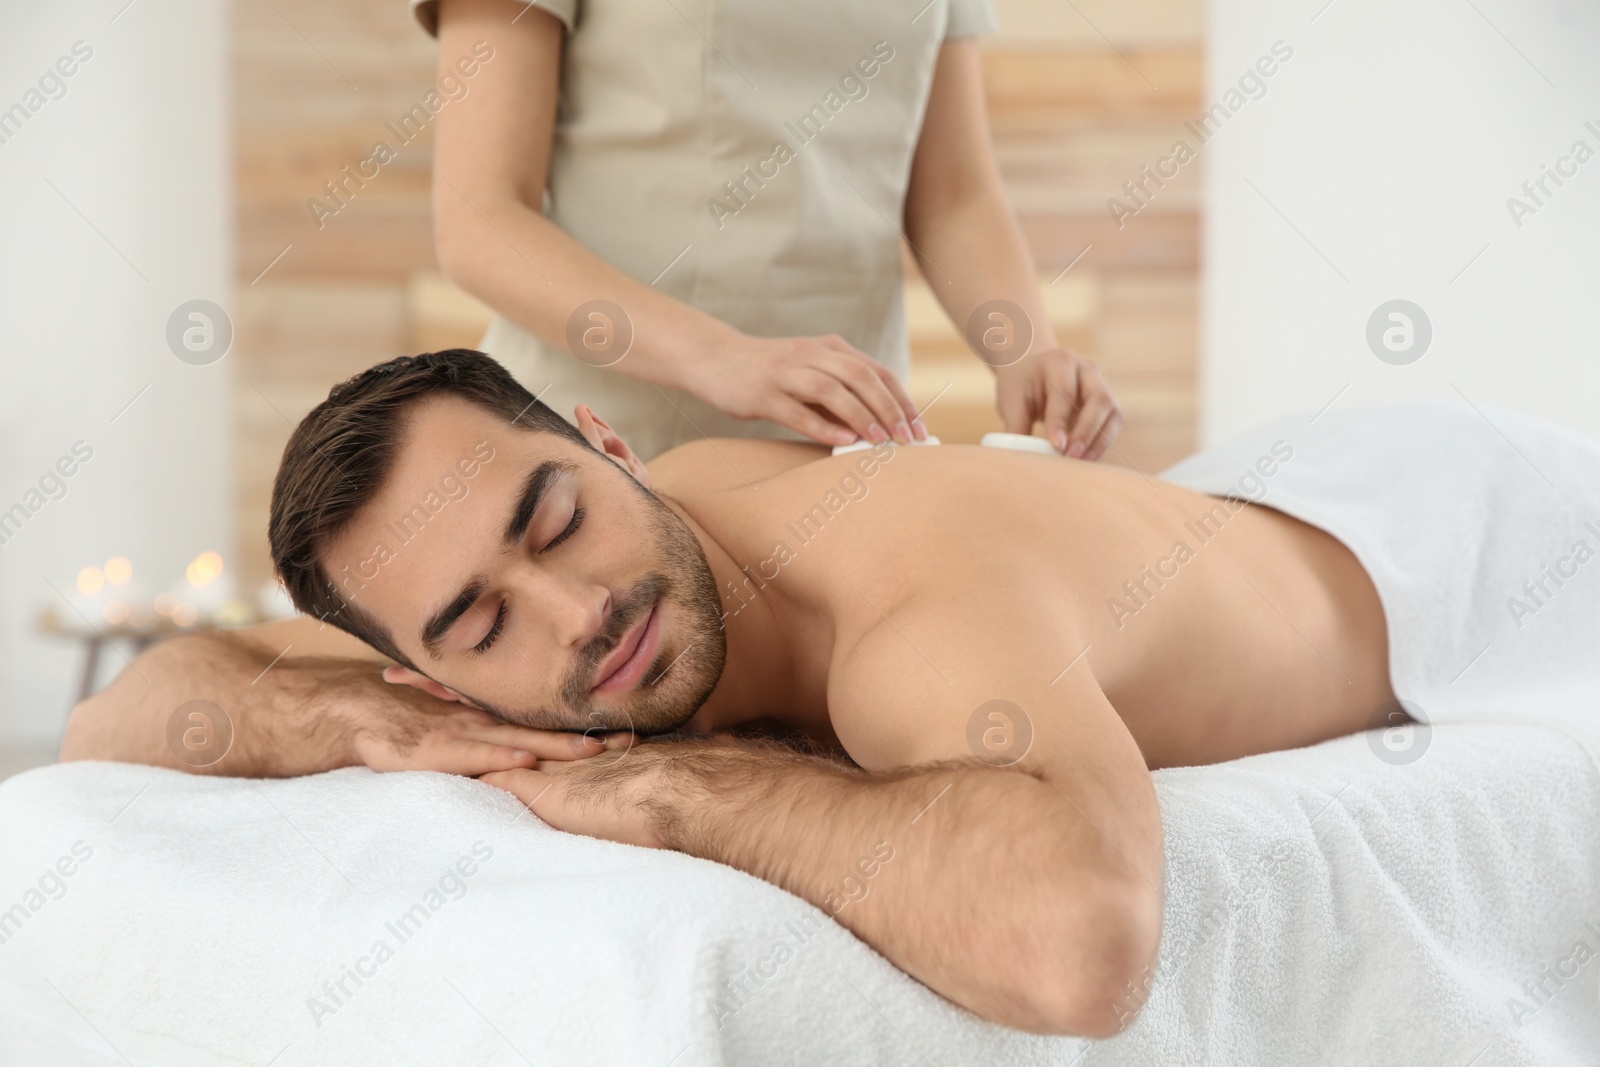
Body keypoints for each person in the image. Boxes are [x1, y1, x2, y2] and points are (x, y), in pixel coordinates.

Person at [61, 350, 1432, 1037]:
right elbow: (118, 713)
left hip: (1438, 542)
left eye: (556, 517)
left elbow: (1082, 942)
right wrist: (342, 716)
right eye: (482, 618)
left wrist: (679, 788)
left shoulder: (902, 607)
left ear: (610, 442)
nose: (578, 611)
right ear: (428, 667)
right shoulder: (462, 649)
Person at [417, 0, 1122, 459]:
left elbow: (954, 194)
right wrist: (724, 358)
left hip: (841, 451)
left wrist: (1025, 351)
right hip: (593, 448)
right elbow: (483, 220)